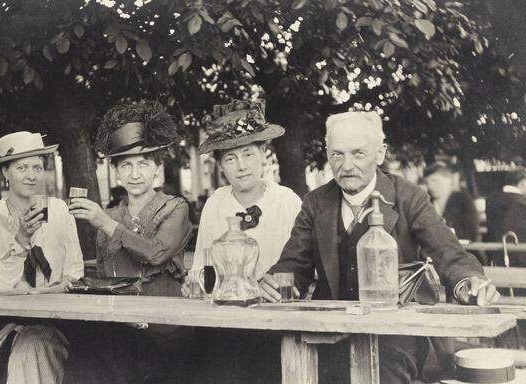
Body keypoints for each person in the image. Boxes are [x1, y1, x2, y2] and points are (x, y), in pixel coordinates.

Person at [260, 111, 499, 384]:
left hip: (398, 337)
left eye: (358, 153)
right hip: (331, 333)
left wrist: (469, 282)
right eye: (337, 154)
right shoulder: (316, 202)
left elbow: (448, 252)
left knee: (381, 372)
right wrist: (277, 282)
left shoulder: (408, 196)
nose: (346, 165)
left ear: (380, 154)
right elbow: (294, 265)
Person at [68, 100, 192, 383]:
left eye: (143, 164)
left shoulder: (175, 208)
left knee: (98, 349)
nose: (135, 174)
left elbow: (156, 253)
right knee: (86, 344)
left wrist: (104, 223)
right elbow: (103, 276)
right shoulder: (110, 215)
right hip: (120, 324)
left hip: (163, 327)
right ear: (117, 172)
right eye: (126, 166)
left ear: (157, 169)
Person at [180, 98, 302, 384]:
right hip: (227, 323)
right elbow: (202, 268)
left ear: (264, 155)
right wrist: (194, 283)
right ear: (221, 165)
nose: (241, 166)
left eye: (248, 154)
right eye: (231, 158)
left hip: (277, 320)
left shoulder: (287, 201)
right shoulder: (215, 203)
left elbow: (302, 269)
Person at [0, 131, 84, 383]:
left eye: (37, 167)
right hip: (13, 315)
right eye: (22, 167)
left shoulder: (60, 210)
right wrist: (20, 240)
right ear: (5, 173)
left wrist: (60, 288)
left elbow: (75, 270)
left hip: (63, 313)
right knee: (29, 347)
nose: (31, 175)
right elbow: (6, 285)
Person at [424, 162, 480, 242]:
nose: (430, 186)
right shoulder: (428, 202)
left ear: (448, 180)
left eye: (434, 181)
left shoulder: (463, 200)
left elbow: (472, 232)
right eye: (428, 183)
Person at [486, 169, 526, 267]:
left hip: (496, 255)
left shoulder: (491, 200)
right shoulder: (522, 203)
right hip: (521, 257)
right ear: (523, 183)